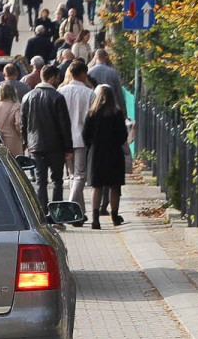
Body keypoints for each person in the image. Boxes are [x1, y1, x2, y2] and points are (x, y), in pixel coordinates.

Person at [21, 65, 72, 208]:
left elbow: (23, 124)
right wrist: (68, 148)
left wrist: (27, 143)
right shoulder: (57, 97)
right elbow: (64, 125)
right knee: (57, 181)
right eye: (57, 78)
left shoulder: (28, 97)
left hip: (36, 146)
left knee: (41, 181)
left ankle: (42, 213)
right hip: (56, 147)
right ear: (51, 78)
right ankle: (57, 214)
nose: (59, 80)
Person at [83, 84, 129, 229]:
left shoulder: (91, 114)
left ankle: (95, 219)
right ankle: (115, 216)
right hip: (114, 153)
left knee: (96, 187)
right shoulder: (117, 113)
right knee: (114, 187)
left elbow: (85, 135)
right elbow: (123, 136)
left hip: (96, 153)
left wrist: (91, 145)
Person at [58, 62, 96, 216]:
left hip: (64, 139)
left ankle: (79, 213)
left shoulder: (61, 92)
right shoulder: (89, 93)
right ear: (84, 74)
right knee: (80, 176)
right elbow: (93, 118)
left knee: (73, 175)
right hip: (81, 138)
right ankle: (70, 207)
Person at [0, 82, 24, 155]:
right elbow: (18, 122)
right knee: (15, 162)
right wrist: (21, 136)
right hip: (13, 139)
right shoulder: (16, 105)